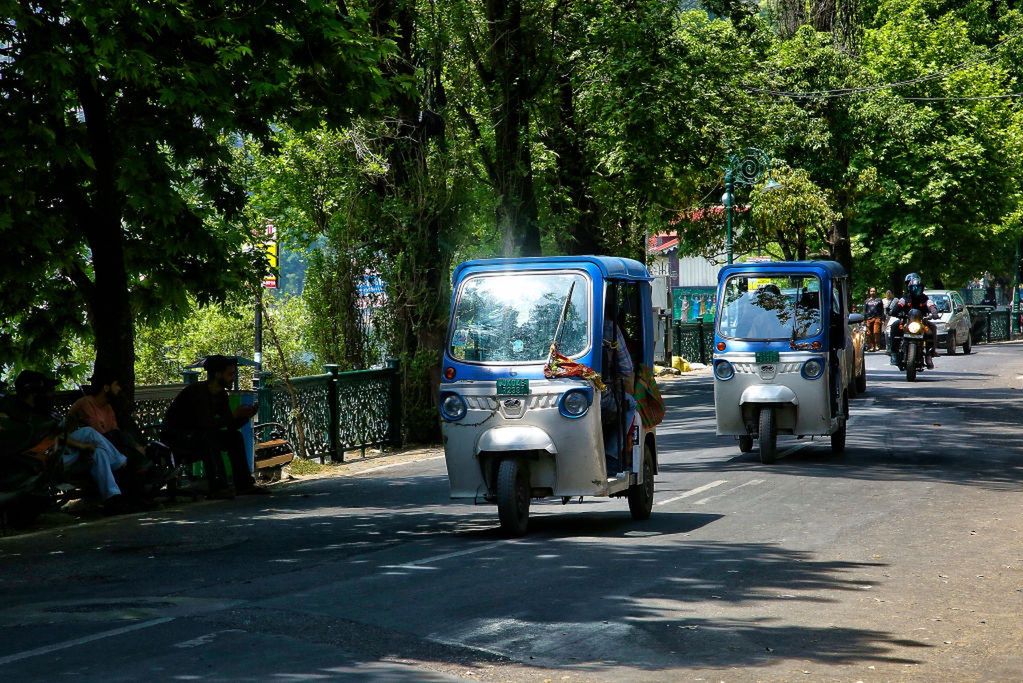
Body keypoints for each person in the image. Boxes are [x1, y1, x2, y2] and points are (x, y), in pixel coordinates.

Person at [0, 370, 130, 513]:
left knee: (97, 450)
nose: (51, 394)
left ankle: (113, 497)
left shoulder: (43, 412)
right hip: (50, 458)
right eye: (47, 390)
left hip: (59, 451)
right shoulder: (21, 414)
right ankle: (120, 464)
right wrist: (82, 445)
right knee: (91, 437)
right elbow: (54, 436)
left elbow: (59, 434)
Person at [161, 355, 268, 497]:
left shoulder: (221, 395)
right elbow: (205, 424)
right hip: (178, 439)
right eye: (230, 374)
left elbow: (228, 425)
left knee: (234, 437)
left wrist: (244, 416)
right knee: (208, 438)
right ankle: (217, 485)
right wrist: (234, 416)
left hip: (200, 435)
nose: (233, 378)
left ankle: (243, 484)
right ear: (217, 374)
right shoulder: (197, 392)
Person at [601, 313, 637, 473]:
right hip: (600, 395)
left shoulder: (550, 323)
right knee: (630, 404)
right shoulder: (608, 327)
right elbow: (627, 368)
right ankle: (612, 455)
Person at [888, 273, 939, 369]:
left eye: (918, 288)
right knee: (894, 326)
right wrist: (894, 311)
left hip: (921, 322)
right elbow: (898, 305)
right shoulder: (905, 298)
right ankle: (894, 352)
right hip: (906, 321)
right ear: (909, 288)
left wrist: (934, 312)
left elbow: (931, 305)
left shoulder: (924, 298)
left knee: (932, 328)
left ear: (922, 288)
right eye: (913, 287)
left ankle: (929, 354)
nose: (916, 290)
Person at [863, 287, 885, 352]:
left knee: (876, 332)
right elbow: (864, 310)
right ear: (869, 292)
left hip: (877, 318)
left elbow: (882, 310)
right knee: (869, 333)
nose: (872, 292)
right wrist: (864, 319)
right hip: (868, 318)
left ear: (876, 292)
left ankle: (877, 345)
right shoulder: (866, 301)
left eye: (874, 291)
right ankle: (871, 346)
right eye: (871, 291)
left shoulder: (879, 300)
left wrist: (882, 319)